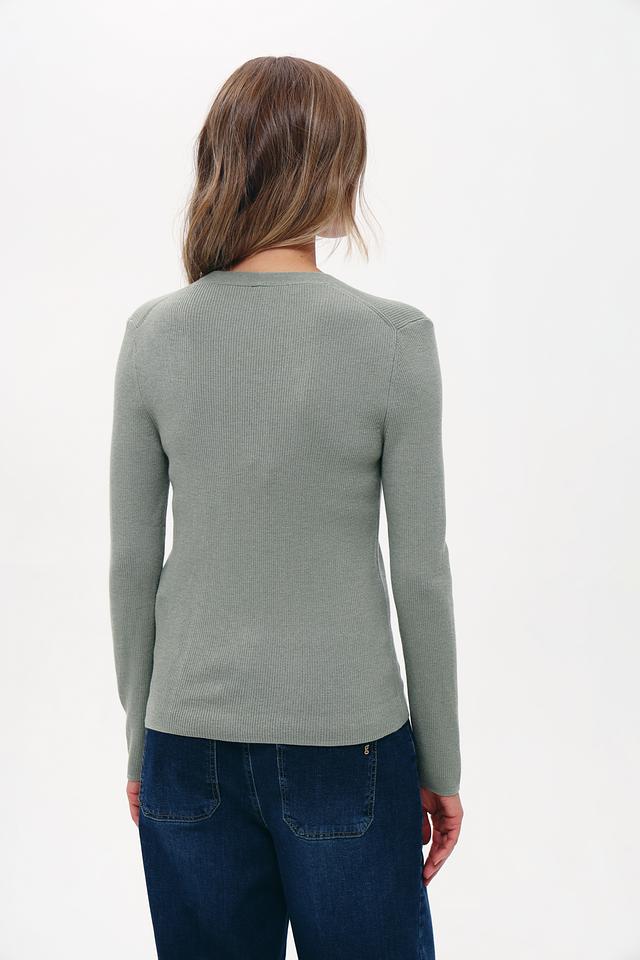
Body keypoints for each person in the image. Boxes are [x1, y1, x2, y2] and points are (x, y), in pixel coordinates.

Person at [109, 54, 463, 960]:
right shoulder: (395, 339)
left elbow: (131, 565)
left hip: (184, 742)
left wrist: (140, 744)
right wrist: (442, 764)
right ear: (333, 169)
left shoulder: (153, 334)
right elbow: (421, 574)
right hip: (347, 748)